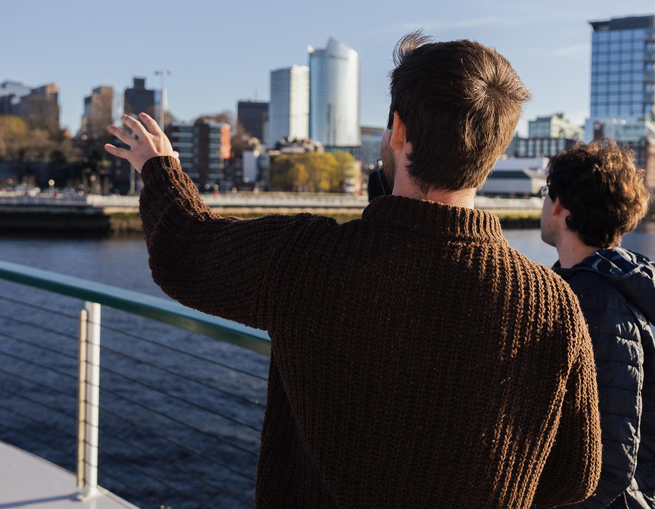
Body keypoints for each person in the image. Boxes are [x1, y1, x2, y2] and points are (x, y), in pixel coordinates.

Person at [106, 32, 601, 509]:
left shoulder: (307, 257)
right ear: (494, 150)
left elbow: (187, 253)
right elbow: (575, 475)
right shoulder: (553, 305)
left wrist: (160, 167)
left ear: (399, 130)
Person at [540, 141, 655, 509]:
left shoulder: (595, 298)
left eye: (547, 193)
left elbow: (609, 457)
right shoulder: (586, 284)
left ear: (561, 204)